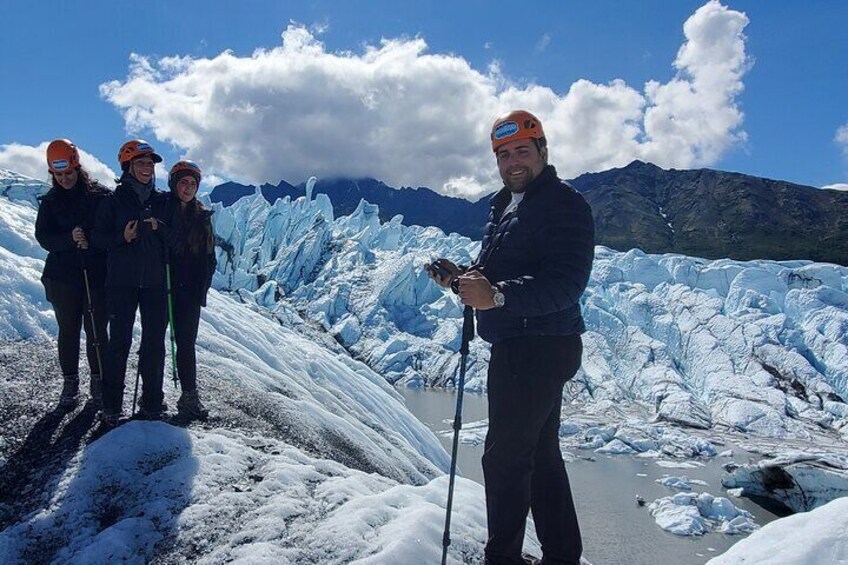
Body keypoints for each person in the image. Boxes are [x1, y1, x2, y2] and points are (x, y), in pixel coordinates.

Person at [427, 110, 595, 565]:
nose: (512, 161)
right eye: (504, 154)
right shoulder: (505, 205)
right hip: (523, 343)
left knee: (505, 460)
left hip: (538, 347)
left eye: (522, 150)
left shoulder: (563, 204)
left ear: (543, 151)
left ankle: (501, 560)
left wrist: (497, 297)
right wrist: (462, 280)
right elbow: (502, 273)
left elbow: (565, 283)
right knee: (539, 457)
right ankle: (562, 556)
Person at [92, 139, 181, 425]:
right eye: (141, 163)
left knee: (154, 344)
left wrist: (159, 227)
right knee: (119, 343)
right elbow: (98, 238)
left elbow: (177, 241)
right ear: (128, 166)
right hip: (122, 282)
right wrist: (123, 238)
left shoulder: (164, 202)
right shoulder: (112, 201)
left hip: (155, 283)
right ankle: (111, 406)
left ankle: (153, 402)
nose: (147, 168)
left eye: (150, 164)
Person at [35, 139, 111, 409]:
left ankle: (98, 382)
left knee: (96, 332)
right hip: (63, 277)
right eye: (59, 175)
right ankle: (71, 382)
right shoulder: (50, 202)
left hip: (94, 274)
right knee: (69, 330)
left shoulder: (100, 197)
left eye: (69, 173)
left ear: (78, 168)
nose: (65, 179)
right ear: (52, 173)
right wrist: (70, 238)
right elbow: (43, 237)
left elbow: (108, 232)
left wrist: (91, 239)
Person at [165, 160, 217, 420]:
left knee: (186, 345)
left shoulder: (202, 218)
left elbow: (209, 257)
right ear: (174, 183)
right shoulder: (162, 210)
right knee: (153, 343)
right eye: (183, 182)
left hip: (189, 292)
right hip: (161, 287)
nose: (187, 187)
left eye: (192, 183)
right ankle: (151, 398)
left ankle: (189, 397)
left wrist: (202, 286)